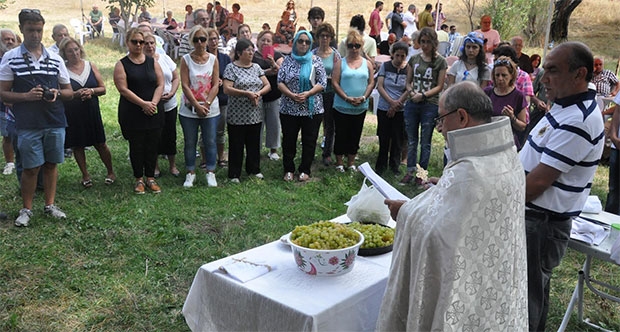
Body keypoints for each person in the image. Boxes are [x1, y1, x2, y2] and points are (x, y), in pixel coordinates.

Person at [377, 81, 528, 331]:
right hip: (492, 278)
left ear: (461, 116)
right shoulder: (505, 153)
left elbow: (437, 234)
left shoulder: (470, 170)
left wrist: (403, 211)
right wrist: (444, 187)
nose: (439, 128)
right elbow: (467, 211)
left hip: (464, 285)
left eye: (441, 119)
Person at [520, 42, 604, 332]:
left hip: (540, 224)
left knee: (525, 300)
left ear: (579, 74)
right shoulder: (566, 106)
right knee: (529, 294)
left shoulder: (579, 119)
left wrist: (493, 198)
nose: (544, 79)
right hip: (534, 220)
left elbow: (538, 183)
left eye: (553, 71)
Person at [0, 9, 73, 226]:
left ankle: (49, 205)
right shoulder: (11, 58)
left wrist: (57, 93)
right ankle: (26, 209)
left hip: (54, 119)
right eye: (31, 30)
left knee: (51, 164)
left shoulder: (55, 58)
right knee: (31, 167)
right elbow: (2, 93)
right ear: (22, 29)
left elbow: (69, 92)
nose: (35, 35)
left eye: (39, 30)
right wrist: (26, 96)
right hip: (28, 123)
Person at [59, 36, 115, 188]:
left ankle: (110, 171)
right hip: (73, 111)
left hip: (91, 110)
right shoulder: (62, 70)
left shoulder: (90, 65)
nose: (74, 53)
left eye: (76, 49)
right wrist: (75, 94)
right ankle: (85, 175)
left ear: (80, 49)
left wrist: (91, 91)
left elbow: (103, 89)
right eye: (70, 51)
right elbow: (61, 93)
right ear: (64, 53)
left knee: (100, 143)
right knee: (78, 145)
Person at [113, 28, 164, 194]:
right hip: (133, 111)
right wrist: (143, 104)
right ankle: (139, 179)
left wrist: (153, 103)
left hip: (153, 110)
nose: (138, 45)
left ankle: (150, 177)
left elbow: (160, 84)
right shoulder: (122, 64)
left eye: (141, 42)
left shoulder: (152, 62)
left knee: (152, 144)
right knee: (137, 146)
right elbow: (123, 89)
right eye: (134, 41)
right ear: (128, 42)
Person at [400, 27, 447, 185]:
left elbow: (439, 86)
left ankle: (421, 174)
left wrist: (424, 95)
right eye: (423, 42)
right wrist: (411, 92)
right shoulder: (414, 59)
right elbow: (408, 81)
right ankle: (410, 171)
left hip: (430, 104)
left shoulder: (441, 61)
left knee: (425, 141)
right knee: (412, 140)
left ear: (434, 43)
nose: (425, 45)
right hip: (413, 102)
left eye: (428, 42)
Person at [277, 31, 326, 182]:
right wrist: (292, 95)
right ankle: (289, 169)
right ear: (295, 42)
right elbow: (280, 82)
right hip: (289, 108)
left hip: (312, 109)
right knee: (289, 140)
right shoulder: (287, 61)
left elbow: (322, 83)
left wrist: (308, 93)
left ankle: (305, 169)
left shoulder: (316, 60)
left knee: (309, 140)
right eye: (300, 41)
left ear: (310, 44)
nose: (303, 44)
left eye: (306, 42)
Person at [222, 39, 271, 183]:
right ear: (239, 53)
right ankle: (234, 174)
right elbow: (227, 88)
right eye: (248, 50)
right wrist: (246, 94)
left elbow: (267, 85)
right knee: (236, 144)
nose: (251, 52)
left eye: (252, 49)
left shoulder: (256, 67)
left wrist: (258, 94)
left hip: (255, 114)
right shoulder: (231, 68)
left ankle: (254, 169)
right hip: (237, 115)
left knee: (254, 143)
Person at [179, 26, 220, 188]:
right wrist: (196, 105)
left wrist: (207, 104)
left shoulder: (213, 60)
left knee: (210, 140)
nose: (200, 43)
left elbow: (215, 84)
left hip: (210, 108)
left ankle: (210, 172)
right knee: (190, 141)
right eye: (196, 39)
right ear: (191, 41)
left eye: (203, 39)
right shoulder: (186, 60)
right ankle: (190, 172)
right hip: (189, 109)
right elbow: (185, 84)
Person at [332, 30, 375, 172]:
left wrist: (364, 97)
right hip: (341, 106)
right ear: (347, 46)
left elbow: (371, 82)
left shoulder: (367, 64)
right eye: (351, 45)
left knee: (355, 134)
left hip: (360, 106)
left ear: (362, 46)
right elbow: (335, 82)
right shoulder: (340, 63)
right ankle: (339, 162)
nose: (354, 49)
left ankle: (351, 162)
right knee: (341, 134)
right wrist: (346, 97)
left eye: (357, 45)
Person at [142, 33, 180, 179]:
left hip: (169, 103)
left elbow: (176, 78)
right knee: (154, 136)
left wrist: (172, 92)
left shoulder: (165, 58)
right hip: (152, 105)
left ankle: (172, 165)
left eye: (152, 43)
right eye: (146, 43)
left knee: (170, 135)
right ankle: (155, 166)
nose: (150, 46)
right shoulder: (141, 62)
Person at [375, 41, 408, 175]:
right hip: (384, 108)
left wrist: (397, 104)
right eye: (397, 55)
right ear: (392, 55)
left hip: (400, 109)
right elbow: (380, 86)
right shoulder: (385, 66)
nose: (399, 59)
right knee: (384, 137)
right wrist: (391, 102)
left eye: (402, 56)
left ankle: (395, 166)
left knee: (397, 138)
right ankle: (381, 166)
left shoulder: (408, 69)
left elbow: (408, 89)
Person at [312, 23, 341, 166]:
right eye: (322, 36)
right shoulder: (312, 54)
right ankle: (310, 151)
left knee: (330, 125)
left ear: (331, 38)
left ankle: (327, 153)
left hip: (330, 93)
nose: (324, 38)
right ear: (317, 37)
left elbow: (339, 74)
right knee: (312, 124)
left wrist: (329, 79)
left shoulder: (336, 55)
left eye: (327, 36)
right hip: (314, 93)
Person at [253, 30, 284, 161]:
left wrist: (272, 62)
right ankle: (256, 149)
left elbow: (281, 71)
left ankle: (273, 150)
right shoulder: (253, 56)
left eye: (268, 40)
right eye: (263, 40)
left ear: (273, 43)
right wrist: (266, 72)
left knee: (274, 124)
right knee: (257, 125)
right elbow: (252, 72)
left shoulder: (277, 55)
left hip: (274, 96)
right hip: (257, 96)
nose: (265, 43)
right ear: (258, 41)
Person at [484, 56, 528, 149]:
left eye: (504, 75)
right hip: (488, 142)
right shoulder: (487, 93)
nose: (500, 78)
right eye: (497, 75)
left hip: (508, 143)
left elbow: (523, 126)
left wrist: (512, 118)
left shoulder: (518, 96)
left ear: (511, 76)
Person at [206, 28, 232, 168]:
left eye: (216, 38)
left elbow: (230, 75)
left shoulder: (225, 58)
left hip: (222, 98)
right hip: (206, 99)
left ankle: (221, 157)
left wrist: (223, 81)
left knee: (220, 129)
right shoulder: (203, 57)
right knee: (206, 130)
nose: (213, 41)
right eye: (210, 39)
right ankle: (205, 159)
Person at [1, 29, 17, 176]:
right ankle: (10, 163)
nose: (10, 42)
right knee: (7, 134)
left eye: (12, 39)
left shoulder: (19, 58)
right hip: (3, 105)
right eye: (6, 39)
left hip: (21, 103)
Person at [606, 94, 620, 213]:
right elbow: (618, 111)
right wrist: (614, 135)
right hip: (618, 145)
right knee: (614, 187)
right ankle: (610, 218)